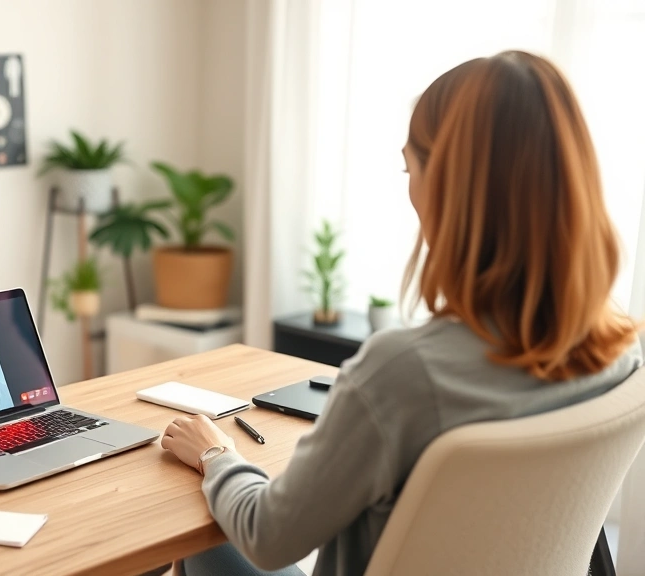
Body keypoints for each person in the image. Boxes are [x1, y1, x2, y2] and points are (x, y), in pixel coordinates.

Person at [161, 51, 644, 576]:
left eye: (409, 168)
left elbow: (268, 537)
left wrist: (217, 455)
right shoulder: (617, 349)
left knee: (199, 527)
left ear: (448, 190)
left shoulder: (404, 372)